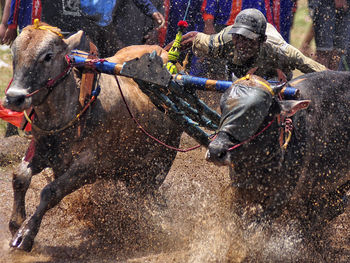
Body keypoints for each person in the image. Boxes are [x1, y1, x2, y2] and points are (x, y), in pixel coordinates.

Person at [181, 8, 326, 81]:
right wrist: (165, 53)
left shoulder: (280, 50)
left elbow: (324, 73)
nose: (241, 44)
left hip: (272, 76)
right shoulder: (224, 40)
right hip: (237, 76)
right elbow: (193, 37)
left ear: (261, 40)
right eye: (238, 38)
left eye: (248, 40)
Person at [308, 0, 350, 70]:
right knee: (324, 51)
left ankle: (332, 79)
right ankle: (320, 78)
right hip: (325, 3)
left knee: (338, 52)